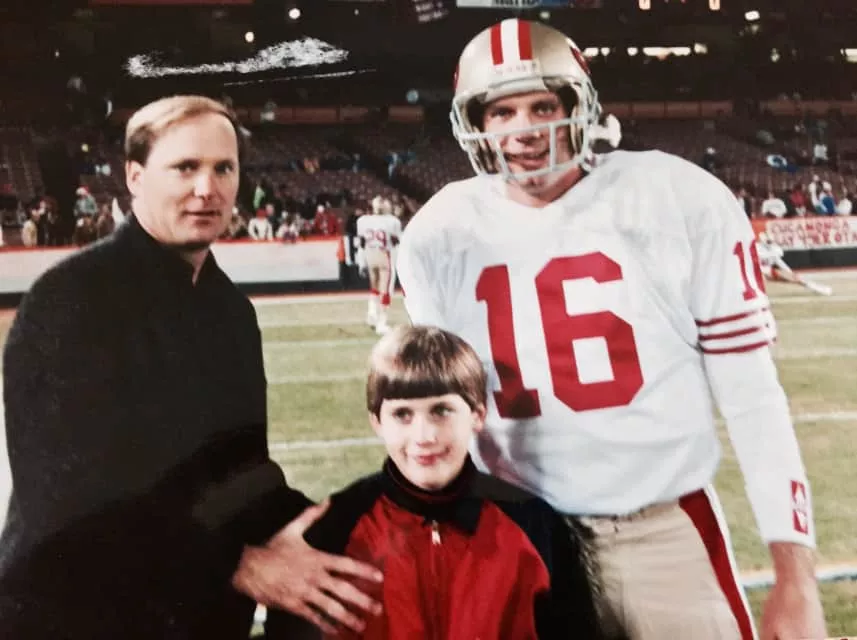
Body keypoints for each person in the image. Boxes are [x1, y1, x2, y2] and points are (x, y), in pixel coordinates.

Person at [396, 18, 826, 640]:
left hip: (665, 531)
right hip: (524, 537)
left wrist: (796, 576)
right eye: (502, 111)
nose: (524, 129)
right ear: (475, 124)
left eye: (543, 106)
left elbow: (752, 396)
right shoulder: (438, 236)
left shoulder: (676, 198)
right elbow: (444, 416)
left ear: (579, 108)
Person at [0, 95, 382, 639]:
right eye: (185, 167)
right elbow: (68, 505)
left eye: (224, 168)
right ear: (134, 177)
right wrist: (240, 564)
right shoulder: (69, 300)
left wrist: (336, 526)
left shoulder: (230, 309)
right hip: (75, 620)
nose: (208, 188)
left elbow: (241, 474)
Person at [265, 325, 627, 640]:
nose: (424, 436)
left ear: (477, 415)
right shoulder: (338, 526)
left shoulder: (533, 525)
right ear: (377, 422)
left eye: (441, 411)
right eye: (402, 414)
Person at [356, 195, 402, 335]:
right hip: (384, 254)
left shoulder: (363, 220)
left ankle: (371, 313)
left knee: (374, 286)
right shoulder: (392, 221)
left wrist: (361, 262)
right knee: (385, 289)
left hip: (370, 254)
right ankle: (381, 322)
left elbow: (361, 243)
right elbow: (396, 241)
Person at [756, 232, 832, 296]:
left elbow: (779, 262)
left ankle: (818, 289)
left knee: (797, 279)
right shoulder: (757, 247)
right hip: (758, 272)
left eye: (771, 241)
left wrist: (790, 272)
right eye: (768, 241)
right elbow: (760, 257)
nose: (770, 243)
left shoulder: (774, 249)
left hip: (767, 272)